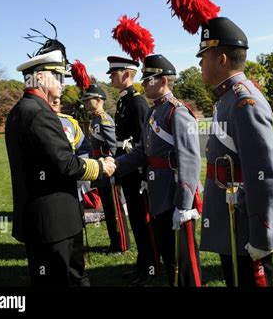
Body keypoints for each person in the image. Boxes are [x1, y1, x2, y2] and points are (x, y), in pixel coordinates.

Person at [6, 30, 116, 287]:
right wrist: (101, 167)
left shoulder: (22, 110)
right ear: (40, 77)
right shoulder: (39, 113)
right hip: (53, 223)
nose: (63, 84)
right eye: (58, 77)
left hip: (44, 220)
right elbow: (66, 163)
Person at [198, 17, 273, 287]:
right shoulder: (228, 98)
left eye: (204, 55)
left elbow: (264, 173)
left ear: (222, 59)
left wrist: (261, 235)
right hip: (231, 217)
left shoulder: (243, 101)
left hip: (244, 223)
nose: (200, 62)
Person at [115, 54, 202, 287]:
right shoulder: (154, 113)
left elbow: (190, 160)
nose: (142, 83)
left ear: (162, 81)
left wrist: (184, 205)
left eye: (148, 79)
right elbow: (142, 152)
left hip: (174, 196)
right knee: (169, 257)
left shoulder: (178, 112)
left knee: (185, 262)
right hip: (157, 194)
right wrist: (116, 164)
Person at [107, 56, 160, 284]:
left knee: (143, 221)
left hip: (137, 174)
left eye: (114, 72)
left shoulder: (137, 102)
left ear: (127, 74)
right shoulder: (124, 101)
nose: (110, 76)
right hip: (126, 170)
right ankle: (142, 263)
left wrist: (142, 175)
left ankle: (151, 267)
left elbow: (143, 143)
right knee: (137, 222)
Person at [83, 84, 130, 253]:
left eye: (89, 99)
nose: (86, 102)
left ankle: (122, 245)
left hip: (108, 170)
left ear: (99, 100)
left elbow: (114, 147)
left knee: (114, 209)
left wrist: (114, 167)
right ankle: (114, 243)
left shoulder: (104, 120)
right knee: (108, 210)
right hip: (99, 169)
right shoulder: (95, 119)